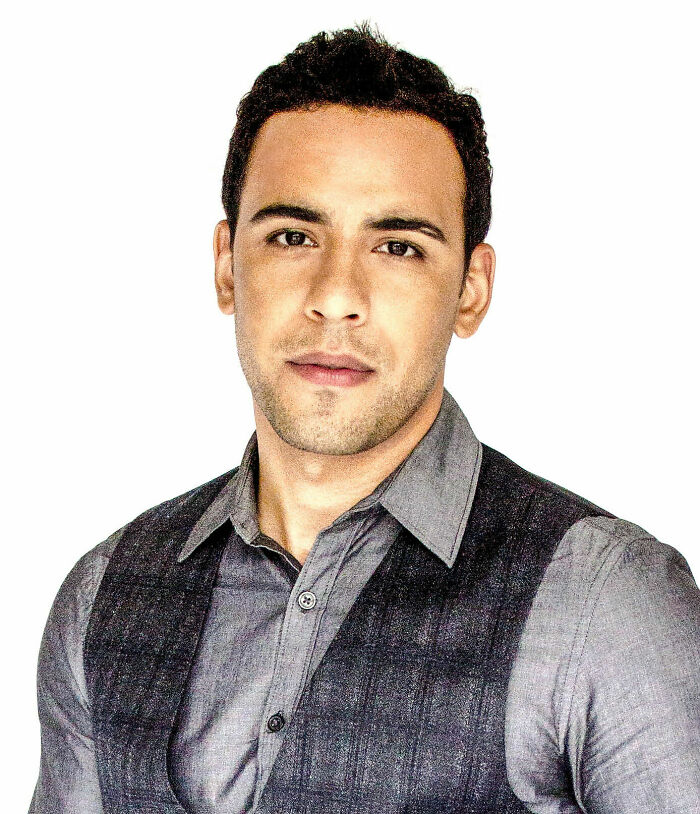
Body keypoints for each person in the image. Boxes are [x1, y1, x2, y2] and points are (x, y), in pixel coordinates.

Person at [29, 23, 700, 814]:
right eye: (291, 235)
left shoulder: (603, 601)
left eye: (399, 247)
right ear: (226, 265)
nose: (336, 293)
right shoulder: (105, 592)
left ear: (472, 290)